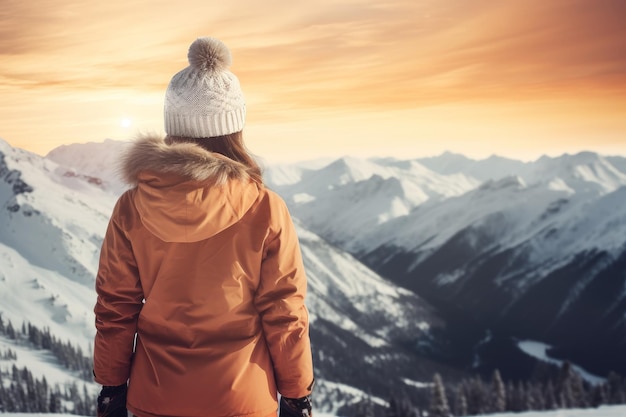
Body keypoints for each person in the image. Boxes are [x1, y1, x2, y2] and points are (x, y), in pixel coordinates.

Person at [93, 37, 314, 417]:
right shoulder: (264, 207)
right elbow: (285, 310)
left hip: (156, 398)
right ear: (234, 129)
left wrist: (112, 388)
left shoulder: (131, 208)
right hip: (243, 398)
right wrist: (296, 393)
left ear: (173, 129)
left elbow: (116, 307)